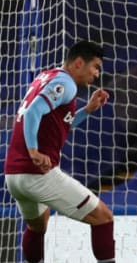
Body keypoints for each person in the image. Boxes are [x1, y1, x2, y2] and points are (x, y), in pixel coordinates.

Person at [4, 41, 114, 263]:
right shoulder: (66, 83)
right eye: (95, 66)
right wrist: (33, 150)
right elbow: (34, 111)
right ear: (78, 63)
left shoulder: (46, 76)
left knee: (38, 224)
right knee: (104, 218)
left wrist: (87, 110)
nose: (96, 74)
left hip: (14, 175)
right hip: (37, 173)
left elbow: (60, 123)